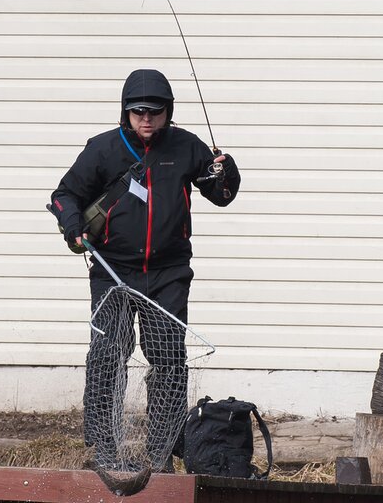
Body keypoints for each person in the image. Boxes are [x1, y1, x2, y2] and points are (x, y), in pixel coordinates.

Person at [49, 68, 240, 470]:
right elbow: (65, 194)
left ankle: (161, 454)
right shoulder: (101, 150)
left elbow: (221, 193)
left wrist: (227, 171)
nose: (147, 120)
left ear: (168, 112)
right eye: (138, 112)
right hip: (112, 270)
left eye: (155, 112)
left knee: (169, 360)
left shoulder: (187, 147)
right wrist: (72, 225)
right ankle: (104, 449)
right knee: (107, 356)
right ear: (126, 113)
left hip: (168, 272)